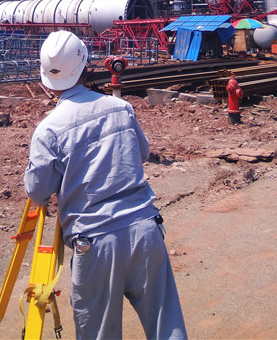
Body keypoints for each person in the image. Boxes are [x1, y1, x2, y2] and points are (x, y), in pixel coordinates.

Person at [24, 30, 187, 340]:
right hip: (144, 230)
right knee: (166, 325)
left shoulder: (49, 130)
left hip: (95, 243)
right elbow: (141, 153)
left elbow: (38, 192)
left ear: (46, 80)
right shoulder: (120, 108)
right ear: (86, 66)